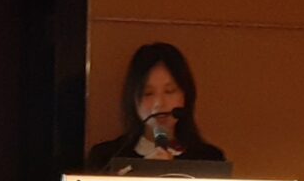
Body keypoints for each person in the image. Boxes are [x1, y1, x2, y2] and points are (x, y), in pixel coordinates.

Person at [86, 42, 225, 170]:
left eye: (169, 91)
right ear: (133, 99)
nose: (159, 104)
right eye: (148, 93)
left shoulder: (210, 159)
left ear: (186, 95)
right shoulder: (105, 157)